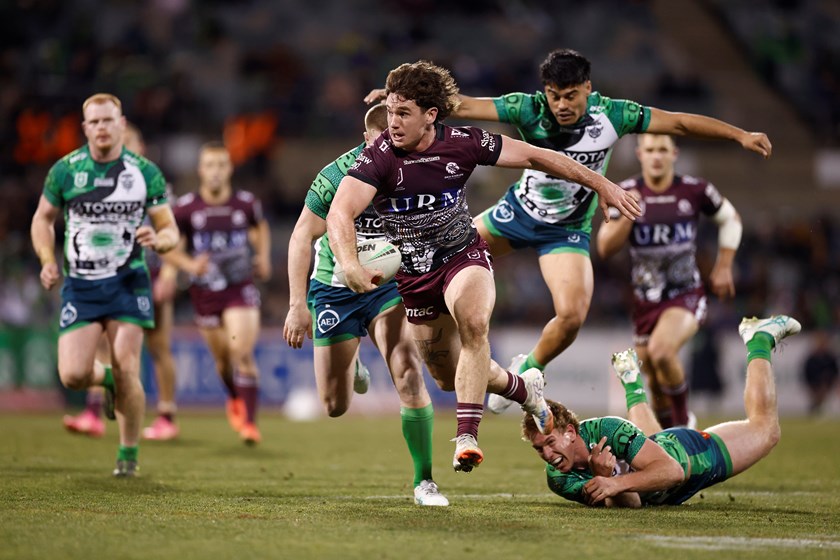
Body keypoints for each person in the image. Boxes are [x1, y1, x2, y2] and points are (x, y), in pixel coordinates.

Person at [367, 49, 771, 414]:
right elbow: (464, 105)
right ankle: (374, 327)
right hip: (515, 214)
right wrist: (398, 100)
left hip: (566, 231)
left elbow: (679, 122)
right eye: (554, 95)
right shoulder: (527, 109)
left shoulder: (615, 115)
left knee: (573, 315)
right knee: (425, 255)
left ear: (588, 89)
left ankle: (528, 369)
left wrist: (739, 134)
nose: (561, 105)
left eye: (571, 95)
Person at [328, 60, 641, 473]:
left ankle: (466, 436)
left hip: (462, 256)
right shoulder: (380, 156)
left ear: (431, 116)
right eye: (390, 112)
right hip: (415, 277)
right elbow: (340, 212)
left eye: (403, 113)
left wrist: (603, 183)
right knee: (446, 375)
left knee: (474, 323)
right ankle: (523, 389)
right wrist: (348, 262)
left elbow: (536, 155)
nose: (393, 122)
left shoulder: (463, 142)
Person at [284, 103, 448, 506]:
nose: (388, 150)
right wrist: (296, 304)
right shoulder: (336, 177)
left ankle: (424, 481)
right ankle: (351, 358)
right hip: (334, 289)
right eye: (381, 141)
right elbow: (301, 235)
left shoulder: (414, 168)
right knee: (334, 405)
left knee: (408, 370)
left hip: (387, 289)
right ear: (366, 140)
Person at [31, 93, 179, 476]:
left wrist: (160, 241)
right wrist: (47, 260)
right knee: (74, 375)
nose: (101, 128)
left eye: (107, 121)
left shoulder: (144, 172)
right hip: (80, 285)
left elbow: (169, 229)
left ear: (121, 124)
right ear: (85, 129)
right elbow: (42, 220)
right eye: (94, 122)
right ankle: (109, 380)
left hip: (128, 283)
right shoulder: (65, 171)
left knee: (128, 362)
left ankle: (127, 456)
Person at [522, 315, 801, 507]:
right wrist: (609, 480)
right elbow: (631, 503)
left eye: (549, 442)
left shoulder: (608, 429)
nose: (547, 455)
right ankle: (631, 381)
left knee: (766, 431)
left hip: (690, 455)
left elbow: (673, 472)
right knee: (647, 443)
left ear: (570, 432)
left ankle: (758, 340)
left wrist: (614, 482)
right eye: (538, 449)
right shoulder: (557, 478)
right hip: (656, 470)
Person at [595, 134, 742, 428]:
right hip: (645, 300)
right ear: (640, 154)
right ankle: (670, 435)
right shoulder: (624, 191)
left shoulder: (695, 190)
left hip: (686, 293)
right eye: (650, 150)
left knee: (662, 352)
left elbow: (730, 218)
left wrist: (724, 264)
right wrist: (627, 215)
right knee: (652, 374)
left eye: (663, 150)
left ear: (674, 153)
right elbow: (604, 248)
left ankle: (685, 423)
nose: (657, 156)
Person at [62, 123, 181, 441]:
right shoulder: (100, 184)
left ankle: (166, 415)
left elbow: (174, 232)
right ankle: (93, 413)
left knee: (158, 347)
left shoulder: (155, 184)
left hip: (151, 273)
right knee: (101, 342)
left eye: (130, 143)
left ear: (141, 148)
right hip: (113, 274)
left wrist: (170, 273)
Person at [164, 142, 271, 445]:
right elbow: (168, 247)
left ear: (229, 169)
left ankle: (250, 423)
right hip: (206, 292)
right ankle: (234, 395)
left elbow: (259, 227)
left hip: (240, 287)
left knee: (241, 351)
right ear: (200, 170)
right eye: (209, 165)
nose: (215, 171)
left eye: (221, 165)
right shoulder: (186, 208)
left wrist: (262, 257)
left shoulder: (245, 204)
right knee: (223, 361)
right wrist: (188, 264)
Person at [801, 330, 839, 415]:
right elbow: (807, 373)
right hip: (815, 384)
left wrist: (829, 383)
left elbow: (834, 372)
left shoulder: (830, 358)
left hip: (828, 384)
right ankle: (816, 409)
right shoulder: (811, 359)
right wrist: (814, 386)